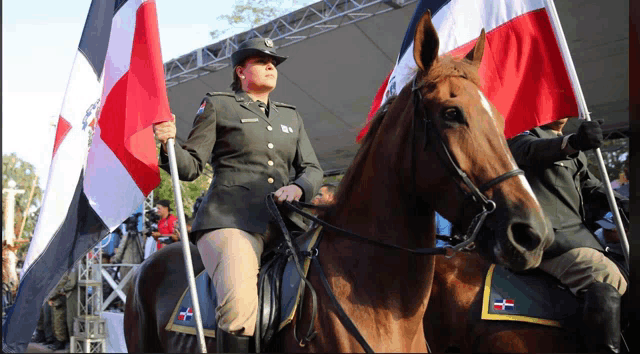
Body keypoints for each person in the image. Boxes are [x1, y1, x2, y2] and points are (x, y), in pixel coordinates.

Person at [153, 37, 323, 352]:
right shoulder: (219, 104)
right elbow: (190, 167)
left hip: (288, 223)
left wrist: (299, 187)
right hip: (231, 219)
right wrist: (170, 143)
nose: (271, 66)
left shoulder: (291, 116)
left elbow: (312, 169)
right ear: (241, 71)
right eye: (261, 61)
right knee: (240, 308)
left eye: (274, 62)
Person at [508, 118, 629, 353]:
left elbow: (591, 188)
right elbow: (532, 152)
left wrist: (625, 203)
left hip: (578, 237)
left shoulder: (575, 151)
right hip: (547, 240)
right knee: (605, 277)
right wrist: (573, 142)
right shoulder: (523, 137)